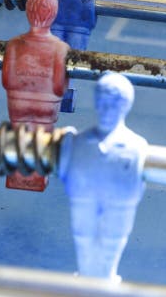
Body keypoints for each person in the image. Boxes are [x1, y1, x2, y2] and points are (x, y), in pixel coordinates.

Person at [59, 72, 147, 280]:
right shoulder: (77, 142)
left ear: (125, 106)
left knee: (111, 244)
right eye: (101, 103)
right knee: (83, 241)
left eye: (113, 105)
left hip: (118, 208)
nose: (105, 111)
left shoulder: (135, 147)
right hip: (85, 203)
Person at [1, 0, 69, 191]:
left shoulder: (13, 45)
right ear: (54, 14)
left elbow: (6, 79)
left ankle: (17, 176)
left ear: (28, 12)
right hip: (46, 106)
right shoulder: (60, 48)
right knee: (40, 141)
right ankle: (36, 176)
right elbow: (58, 85)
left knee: (20, 139)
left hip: (17, 103)